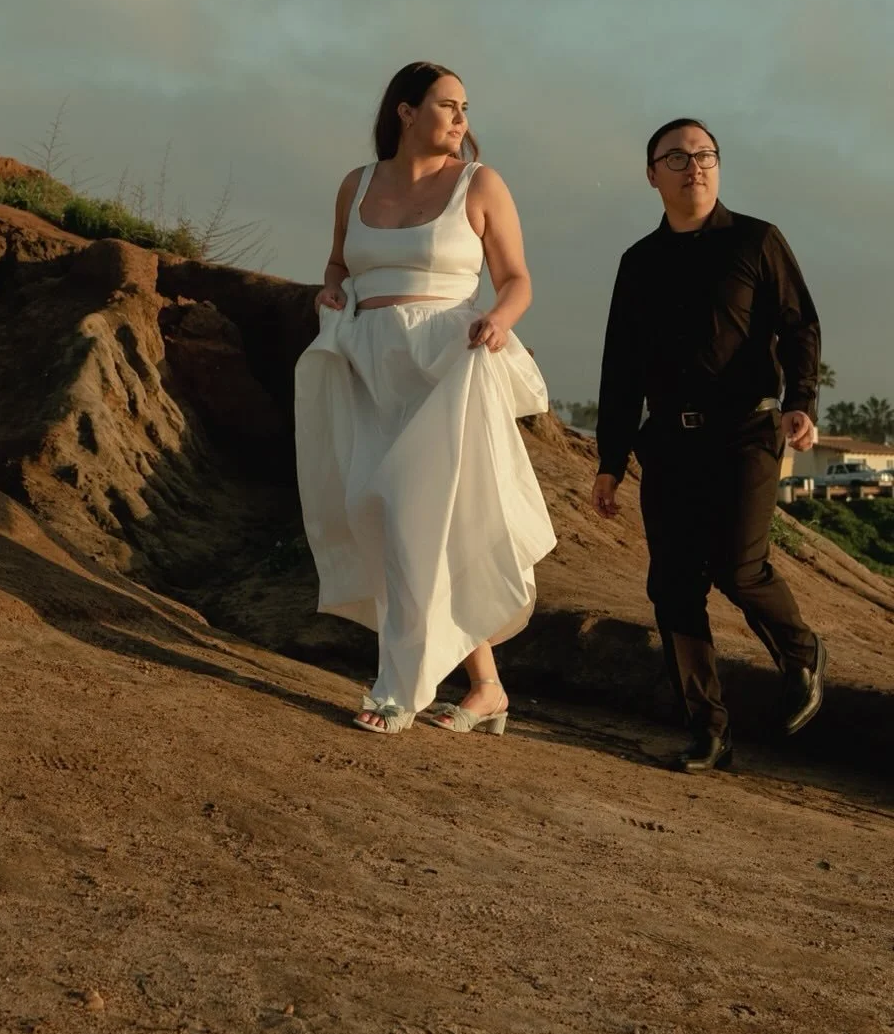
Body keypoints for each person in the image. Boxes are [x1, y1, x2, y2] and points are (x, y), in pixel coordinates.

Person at [294, 62, 557, 734]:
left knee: (413, 519)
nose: (462, 118)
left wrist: (499, 319)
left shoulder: (480, 184)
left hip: (448, 361)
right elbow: (337, 263)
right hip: (368, 362)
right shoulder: (357, 184)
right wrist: (329, 290)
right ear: (406, 112)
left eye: (466, 106)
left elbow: (518, 279)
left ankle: (395, 692)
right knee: (379, 519)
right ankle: (488, 687)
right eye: (447, 105)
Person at [592, 118, 827, 772]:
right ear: (652, 174)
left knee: (738, 563)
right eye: (677, 156)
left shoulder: (756, 241)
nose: (694, 165)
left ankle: (801, 651)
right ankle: (708, 732)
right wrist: (611, 461)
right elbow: (621, 368)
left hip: (747, 432)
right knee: (672, 585)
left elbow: (799, 324)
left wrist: (801, 401)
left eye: (705, 155)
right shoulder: (638, 263)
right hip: (668, 441)